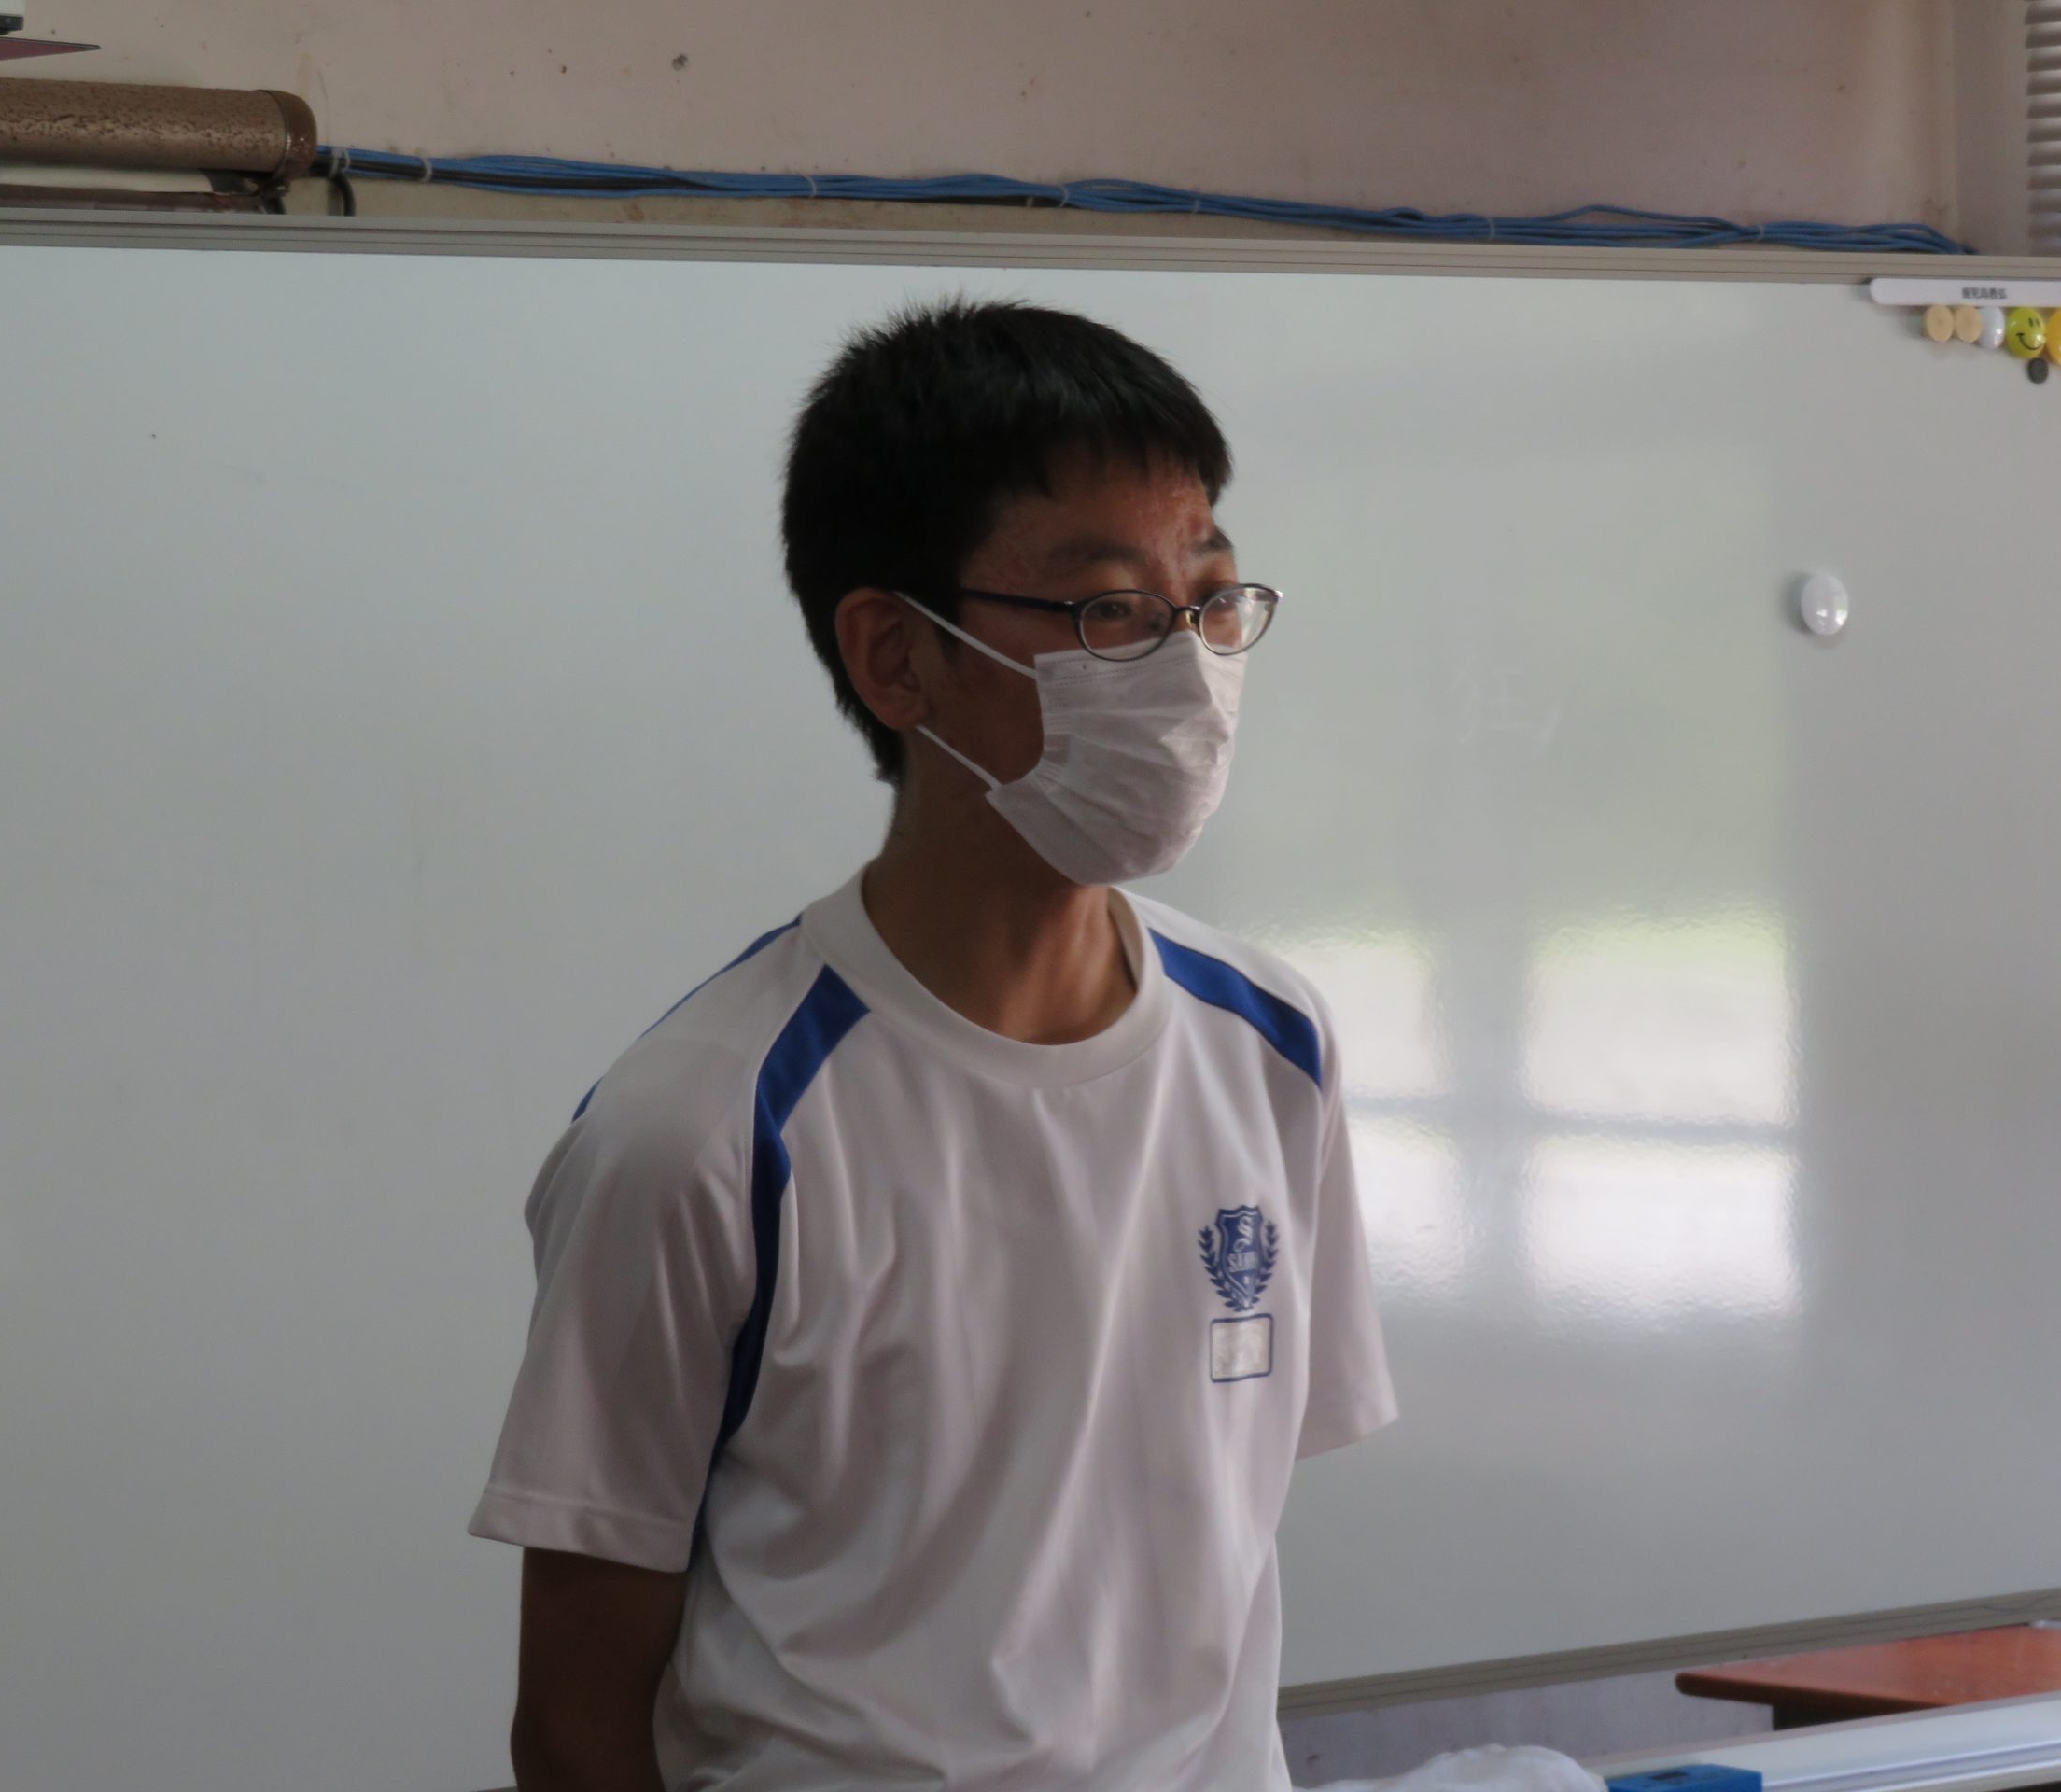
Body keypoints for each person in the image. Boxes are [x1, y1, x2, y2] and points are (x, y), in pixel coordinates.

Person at [470, 295, 1398, 1792]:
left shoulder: (1272, 1042)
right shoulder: (704, 1128)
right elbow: (576, 1719)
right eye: (1108, 612)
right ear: (897, 658)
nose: (1189, 667)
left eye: (1213, 598)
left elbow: (1197, 1537)